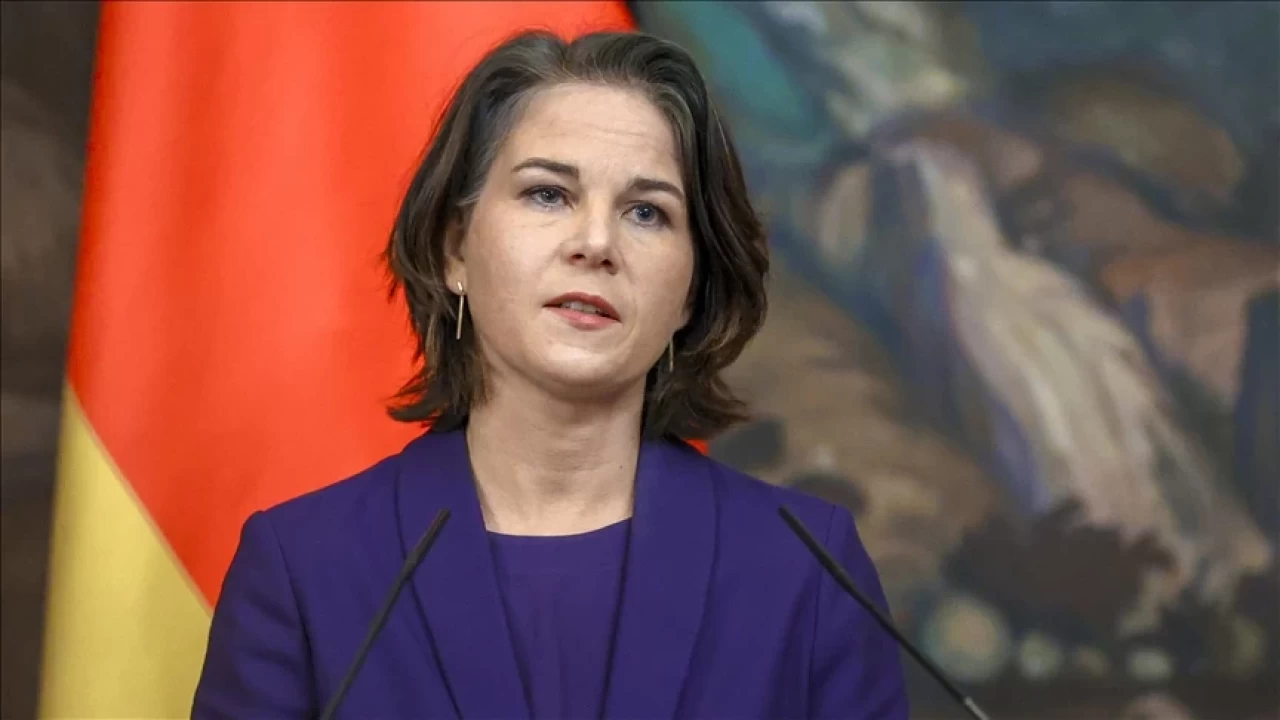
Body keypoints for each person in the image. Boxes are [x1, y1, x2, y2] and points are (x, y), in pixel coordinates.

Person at [192, 29, 908, 719]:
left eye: (646, 212)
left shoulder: (807, 570)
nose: (595, 242)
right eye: (547, 194)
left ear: (690, 293)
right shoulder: (305, 567)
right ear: (455, 251)